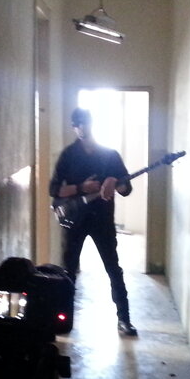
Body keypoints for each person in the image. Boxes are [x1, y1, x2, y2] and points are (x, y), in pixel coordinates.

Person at [48, 107, 138, 336]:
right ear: (73, 127)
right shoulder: (68, 155)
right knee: (69, 271)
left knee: (113, 269)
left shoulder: (110, 155)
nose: (81, 128)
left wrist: (114, 181)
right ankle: (63, 318)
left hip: (102, 220)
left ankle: (124, 320)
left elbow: (127, 189)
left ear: (91, 123)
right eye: (77, 124)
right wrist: (81, 188)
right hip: (74, 221)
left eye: (85, 122)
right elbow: (54, 189)